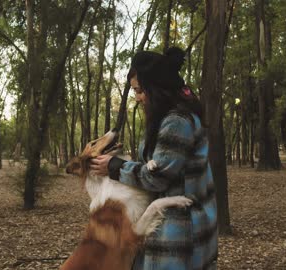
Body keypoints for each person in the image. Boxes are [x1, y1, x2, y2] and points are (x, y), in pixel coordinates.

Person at [90, 47, 217, 270]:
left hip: (179, 233)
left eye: (139, 91)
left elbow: (157, 177)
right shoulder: (167, 119)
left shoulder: (177, 122)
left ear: (155, 88)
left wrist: (115, 167)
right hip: (169, 226)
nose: (138, 98)